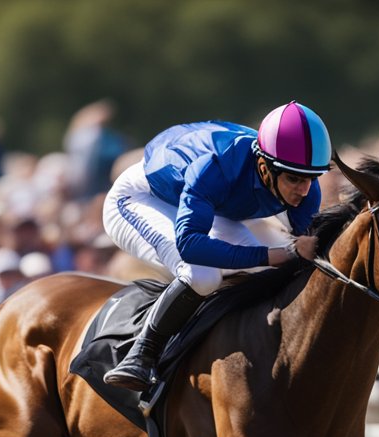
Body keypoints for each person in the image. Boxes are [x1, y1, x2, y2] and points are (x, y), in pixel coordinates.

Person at [101, 101, 332, 390]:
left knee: (262, 272)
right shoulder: (215, 166)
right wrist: (273, 255)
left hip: (212, 206)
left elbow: (312, 253)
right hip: (141, 198)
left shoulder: (302, 183)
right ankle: (142, 354)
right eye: (294, 179)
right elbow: (191, 245)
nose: (304, 190)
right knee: (202, 275)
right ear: (264, 166)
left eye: (311, 179)